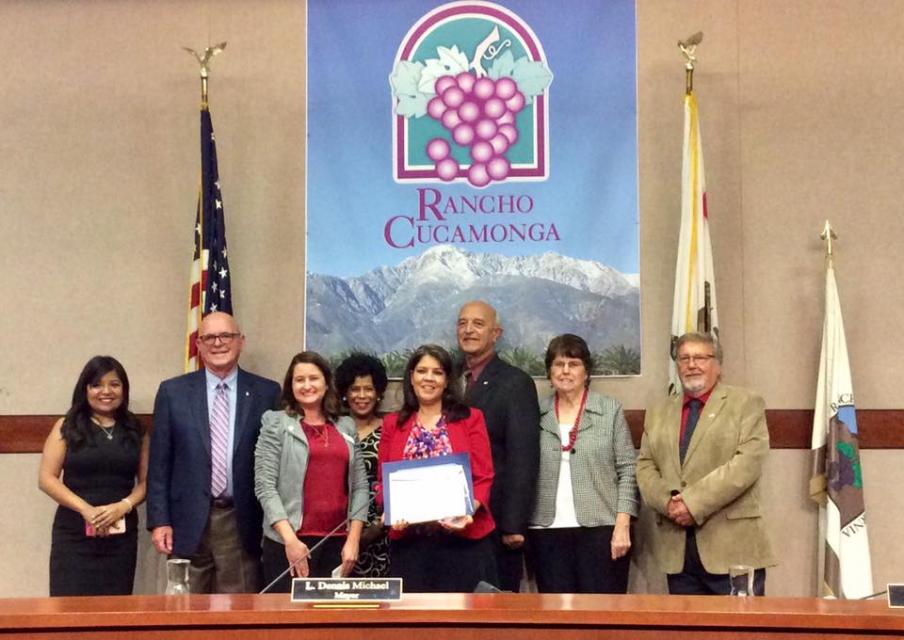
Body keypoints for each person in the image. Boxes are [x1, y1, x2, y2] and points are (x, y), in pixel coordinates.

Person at [147, 312, 281, 593]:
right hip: (187, 521)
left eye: (226, 336)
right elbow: (160, 464)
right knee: (185, 614)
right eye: (209, 337)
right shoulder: (173, 392)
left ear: (241, 341)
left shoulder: (267, 392)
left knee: (239, 615)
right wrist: (160, 520)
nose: (218, 343)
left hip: (241, 521)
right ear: (198, 344)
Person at [636, 332, 776, 595]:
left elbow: (746, 464)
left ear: (717, 364)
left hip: (733, 550)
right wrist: (669, 503)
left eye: (700, 357)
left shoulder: (746, 403)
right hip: (678, 551)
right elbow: (645, 466)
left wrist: (692, 503)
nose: (692, 364)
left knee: (741, 634)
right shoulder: (658, 411)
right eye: (684, 358)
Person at [377, 344, 497, 593]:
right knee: (414, 625)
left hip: (462, 541)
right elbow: (382, 481)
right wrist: (390, 512)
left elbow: (484, 476)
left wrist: (467, 512)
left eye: (437, 372)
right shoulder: (392, 424)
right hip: (410, 543)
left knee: (462, 625)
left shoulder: (470, 418)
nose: (428, 378)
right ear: (411, 377)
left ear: (447, 380)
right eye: (421, 371)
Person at [527, 334, 638, 593]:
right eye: (558, 364)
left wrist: (622, 526)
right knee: (556, 621)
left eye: (573, 364)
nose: (565, 371)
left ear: (586, 371)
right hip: (547, 531)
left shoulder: (609, 410)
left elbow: (628, 470)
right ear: (549, 371)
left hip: (601, 529)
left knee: (603, 620)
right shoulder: (534, 413)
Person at [254, 351, 368, 592]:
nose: (307, 385)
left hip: (338, 544)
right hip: (290, 543)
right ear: (290, 385)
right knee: (289, 625)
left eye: (314, 378)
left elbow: (360, 487)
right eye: (299, 380)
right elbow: (265, 487)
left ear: (326, 383)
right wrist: (290, 540)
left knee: (333, 626)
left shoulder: (346, 425)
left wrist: (353, 540)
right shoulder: (275, 423)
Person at [38, 356, 149, 596]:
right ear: (85, 389)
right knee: (68, 613)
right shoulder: (66, 426)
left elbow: (147, 482)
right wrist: (86, 509)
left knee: (114, 613)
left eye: (114, 384)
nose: (106, 391)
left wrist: (123, 506)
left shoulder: (135, 429)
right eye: (97, 385)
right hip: (73, 535)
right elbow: (47, 478)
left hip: (120, 537)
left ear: (124, 389)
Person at [456, 301, 540, 592]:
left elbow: (523, 457)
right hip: (447, 523)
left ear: (496, 333)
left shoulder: (515, 383)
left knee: (494, 612)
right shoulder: (445, 379)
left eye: (478, 324)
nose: (468, 330)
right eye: (462, 323)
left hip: (495, 522)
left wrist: (514, 524)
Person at [335, 353, 390, 578]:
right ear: (345, 394)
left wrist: (378, 526)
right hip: (338, 533)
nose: (362, 395)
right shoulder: (332, 430)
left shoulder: (391, 429)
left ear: (378, 393)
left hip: (381, 534)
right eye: (354, 389)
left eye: (368, 389)